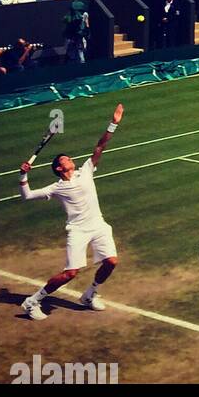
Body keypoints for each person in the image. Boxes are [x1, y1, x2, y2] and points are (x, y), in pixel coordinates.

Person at [17, 104, 125, 320]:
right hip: (78, 230)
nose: (70, 159)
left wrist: (113, 123)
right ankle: (32, 301)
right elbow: (27, 196)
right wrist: (23, 176)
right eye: (65, 159)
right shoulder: (56, 187)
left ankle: (90, 293)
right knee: (70, 273)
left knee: (111, 261)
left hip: (98, 225)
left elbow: (100, 146)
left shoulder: (85, 171)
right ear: (59, 168)